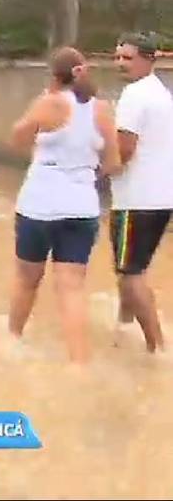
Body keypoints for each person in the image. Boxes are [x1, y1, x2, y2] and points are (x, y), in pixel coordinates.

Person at [7, 46, 121, 363]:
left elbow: (17, 139)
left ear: (54, 75)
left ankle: (13, 340)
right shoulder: (102, 109)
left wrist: (40, 109)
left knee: (27, 279)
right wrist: (85, 177)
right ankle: (78, 363)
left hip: (39, 205)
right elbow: (113, 162)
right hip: (82, 207)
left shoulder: (49, 102)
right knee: (72, 289)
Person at [110, 32, 173, 353]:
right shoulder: (162, 94)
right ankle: (122, 326)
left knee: (131, 274)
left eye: (128, 58)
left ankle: (157, 348)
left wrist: (95, 170)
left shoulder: (134, 95)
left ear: (149, 59)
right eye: (118, 57)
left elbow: (124, 150)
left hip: (135, 200)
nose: (121, 63)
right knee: (132, 267)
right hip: (161, 199)